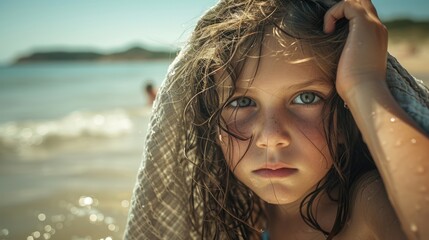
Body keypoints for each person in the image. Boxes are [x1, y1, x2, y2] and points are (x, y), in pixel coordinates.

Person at [125, 0, 429, 239]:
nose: (271, 136)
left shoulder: (367, 205)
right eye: (242, 102)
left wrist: (364, 83)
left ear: (348, 112)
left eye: (306, 98)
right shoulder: (239, 211)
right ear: (211, 126)